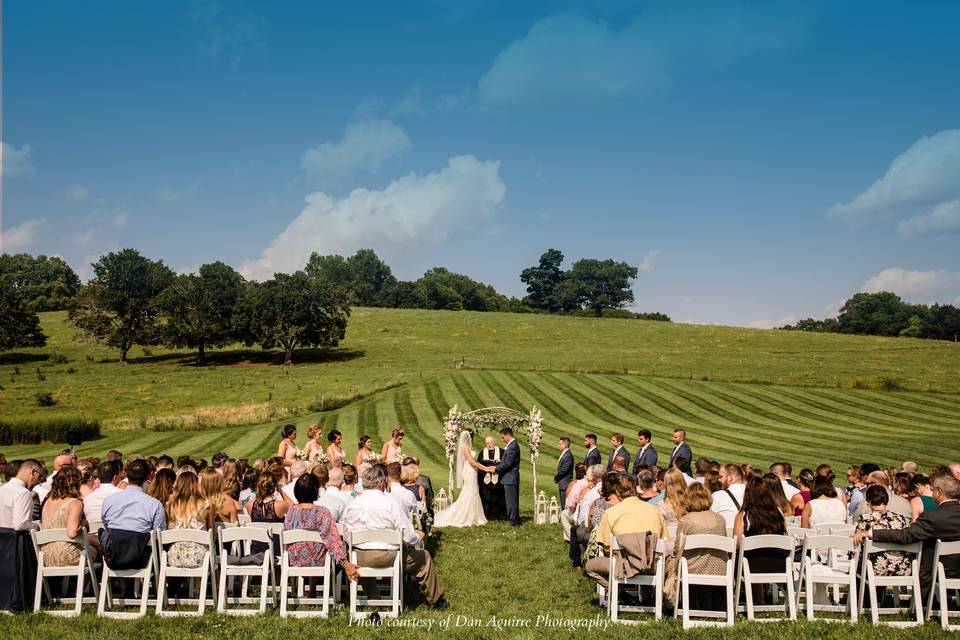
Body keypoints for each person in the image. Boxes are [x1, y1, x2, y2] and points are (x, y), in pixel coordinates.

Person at [341, 464, 446, 608]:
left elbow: (346, 534)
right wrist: (418, 537)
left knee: (360, 556)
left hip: (360, 557)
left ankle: (375, 601)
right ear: (383, 482)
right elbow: (408, 535)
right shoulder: (392, 502)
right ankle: (437, 600)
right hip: (389, 557)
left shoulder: (353, 504)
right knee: (425, 557)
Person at [855, 474, 960, 603]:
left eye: (933, 490)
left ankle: (924, 604)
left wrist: (871, 533)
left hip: (938, 569)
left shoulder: (933, 517)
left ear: (939, 492)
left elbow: (905, 536)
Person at [584, 474, 669, 590]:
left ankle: (619, 592)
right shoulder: (655, 510)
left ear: (617, 493)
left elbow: (607, 548)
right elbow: (664, 540)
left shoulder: (611, 513)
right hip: (652, 566)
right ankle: (645, 597)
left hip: (623, 567)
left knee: (590, 566)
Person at [284, 474, 359, 579]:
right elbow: (332, 538)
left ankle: (312, 588)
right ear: (316, 491)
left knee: (315, 547)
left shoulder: (291, 512)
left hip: (294, 559)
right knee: (330, 547)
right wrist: (345, 563)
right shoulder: (322, 512)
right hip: (317, 561)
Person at [665, 483, 727, 608]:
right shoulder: (720, 519)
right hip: (720, 567)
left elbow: (677, 550)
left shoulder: (686, 520)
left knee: (669, 562)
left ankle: (670, 603)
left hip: (691, 568)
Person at [852, 485, 911, 577]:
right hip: (900, 568)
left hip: (875, 569)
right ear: (886, 500)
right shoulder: (900, 519)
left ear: (868, 501)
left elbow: (857, 545)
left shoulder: (865, 520)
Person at [734, 476, 789, 575]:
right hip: (779, 563)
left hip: (751, 566)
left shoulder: (743, 515)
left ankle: (753, 590)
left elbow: (737, 543)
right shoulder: (778, 512)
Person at [40, 466, 92, 566]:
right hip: (66, 555)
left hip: (46, 557)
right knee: (95, 550)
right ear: (76, 482)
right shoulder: (75, 503)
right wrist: (84, 523)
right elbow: (72, 533)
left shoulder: (48, 501)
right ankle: (89, 581)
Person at [434, 431, 487, 528]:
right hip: (469, 471)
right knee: (470, 492)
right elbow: (471, 461)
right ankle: (468, 516)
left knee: (472, 492)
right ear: (471, 437)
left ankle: (473, 515)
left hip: (472, 471)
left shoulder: (466, 446)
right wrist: (485, 468)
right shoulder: (466, 447)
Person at [101, 459, 165, 533]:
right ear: (148, 477)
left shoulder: (109, 501)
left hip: (117, 543)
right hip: (141, 543)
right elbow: (159, 534)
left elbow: (106, 525)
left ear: (126, 475)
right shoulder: (154, 505)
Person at [165, 471, 209, 569]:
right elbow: (212, 532)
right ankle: (217, 583)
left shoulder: (170, 505)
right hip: (198, 555)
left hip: (174, 556)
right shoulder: (204, 504)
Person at [246, 473, 290, 555]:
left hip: (257, 550)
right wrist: (281, 491)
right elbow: (294, 508)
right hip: (276, 550)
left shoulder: (249, 505)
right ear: (274, 487)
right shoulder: (281, 505)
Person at [487, 427, 521, 527]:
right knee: (512, 500)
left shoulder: (512, 447)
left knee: (511, 501)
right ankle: (515, 519)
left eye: (503, 437)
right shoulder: (512, 445)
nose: (502, 439)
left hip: (510, 478)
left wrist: (496, 468)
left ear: (507, 435)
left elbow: (507, 464)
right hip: (510, 478)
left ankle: (513, 521)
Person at [84, 461, 122, 535]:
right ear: (115, 477)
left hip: (92, 539)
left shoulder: (88, 498)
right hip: (114, 540)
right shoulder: (122, 494)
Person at [477, 437, 506, 520]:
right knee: (486, 496)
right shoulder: (482, 453)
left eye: (491, 443)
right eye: (487, 443)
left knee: (497, 496)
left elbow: (504, 464)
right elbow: (479, 466)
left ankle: (497, 515)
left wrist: (496, 467)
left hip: (498, 479)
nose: (489, 445)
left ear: (494, 442)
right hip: (486, 479)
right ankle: (486, 515)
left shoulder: (501, 452)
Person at [711, 463, 746, 528]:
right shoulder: (754, 494)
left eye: (721, 477)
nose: (718, 479)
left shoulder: (717, 496)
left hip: (725, 537)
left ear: (730, 478)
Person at [555, 437, 574, 505]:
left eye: (560, 444)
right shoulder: (565, 454)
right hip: (562, 483)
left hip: (565, 484)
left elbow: (564, 470)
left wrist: (556, 477)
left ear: (565, 445)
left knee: (564, 504)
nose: (558, 445)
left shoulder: (568, 455)